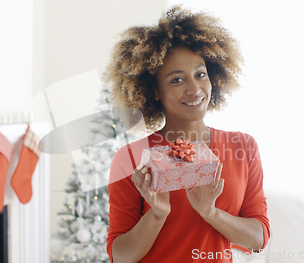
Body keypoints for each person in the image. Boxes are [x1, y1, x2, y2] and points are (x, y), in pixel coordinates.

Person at [104, 6, 270, 263]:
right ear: (154, 90)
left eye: (200, 75)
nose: (195, 89)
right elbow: (120, 255)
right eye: (176, 80)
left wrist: (211, 213)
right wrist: (156, 214)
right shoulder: (130, 158)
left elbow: (259, 239)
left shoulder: (242, 146)